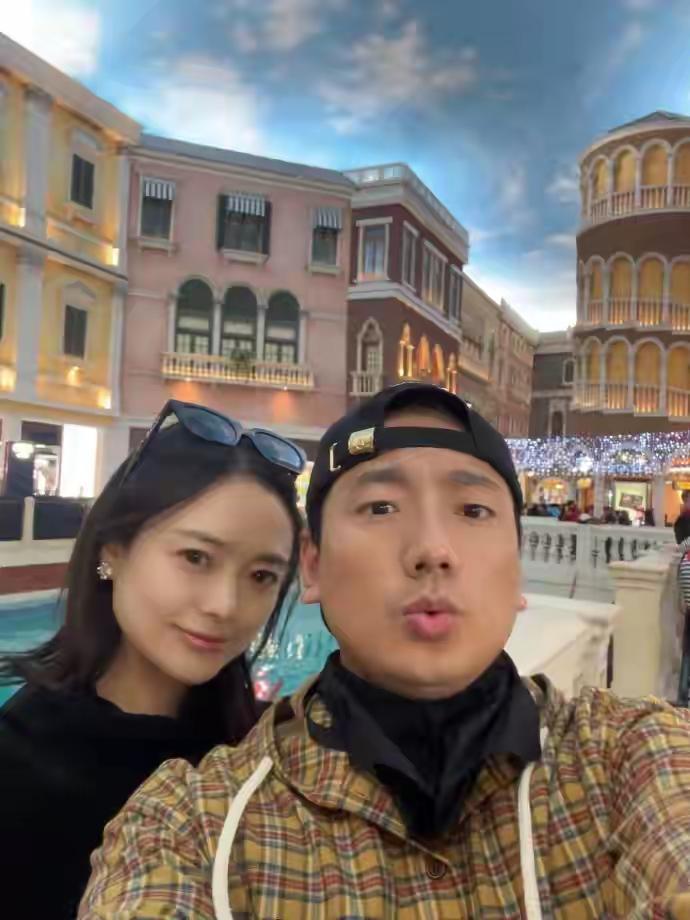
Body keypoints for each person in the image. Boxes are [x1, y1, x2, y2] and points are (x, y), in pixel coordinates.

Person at [79, 383, 690, 919]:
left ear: (518, 567)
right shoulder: (190, 827)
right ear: (312, 564)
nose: (432, 549)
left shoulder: (639, 758)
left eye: (473, 510)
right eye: (381, 507)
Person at [0, 400, 304, 920]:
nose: (225, 605)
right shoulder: (17, 763)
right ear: (112, 551)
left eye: (261, 576)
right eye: (195, 557)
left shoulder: (263, 755)